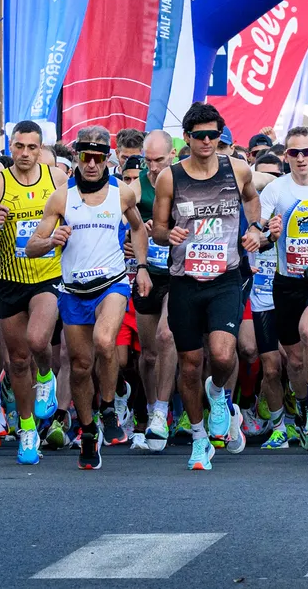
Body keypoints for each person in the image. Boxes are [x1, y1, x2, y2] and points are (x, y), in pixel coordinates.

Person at [151, 102, 268, 471]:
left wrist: (254, 229)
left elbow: (252, 199)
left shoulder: (236, 169)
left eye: (213, 135)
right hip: (185, 279)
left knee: (221, 354)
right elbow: (155, 229)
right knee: (189, 364)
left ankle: (218, 393)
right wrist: (168, 234)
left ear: (221, 136)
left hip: (226, 277)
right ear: (186, 138)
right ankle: (200, 438)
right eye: (199, 136)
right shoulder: (170, 177)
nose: (206, 142)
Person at [24, 125, 147, 470]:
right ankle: (89, 431)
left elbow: (137, 227)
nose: (91, 164)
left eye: (97, 157)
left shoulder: (122, 194)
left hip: (113, 283)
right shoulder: (61, 197)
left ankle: (108, 405)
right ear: (77, 156)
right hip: (74, 289)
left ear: (107, 157)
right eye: (84, 157)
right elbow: (32, 246)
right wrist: (51, 241)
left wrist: (142, 265)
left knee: (105, 342)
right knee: (79, 367)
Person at [0, 120, 61, 465]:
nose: (24, 154)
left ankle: (47, 378)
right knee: (18, 361)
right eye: (19, 147)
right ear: (11, 147)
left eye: (31, 148)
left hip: (48, 275)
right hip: (9, 279)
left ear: (40, 149)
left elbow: (77, 219)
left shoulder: (56, 180)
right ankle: (27, 428)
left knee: (38, 341)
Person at [262, 125, 308, 449]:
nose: (301, 158)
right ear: (285, 156)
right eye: (294, 152)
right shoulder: (275, 191)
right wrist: (268, 235)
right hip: (285, 282)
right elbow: (256, 237)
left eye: (307, 152)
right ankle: (304, 408)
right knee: (294, 360)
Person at [129, 130, 180, 451]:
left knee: (166, 336)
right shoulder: (139, 185)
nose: (152, 167)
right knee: (148, 354)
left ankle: (163, 410)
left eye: (159, 160)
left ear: (172, 155)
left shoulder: (185, 177)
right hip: (148, 272)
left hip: (179, 272)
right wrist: (137, 227)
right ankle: (149, 413)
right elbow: (116, 200)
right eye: (147, 160)